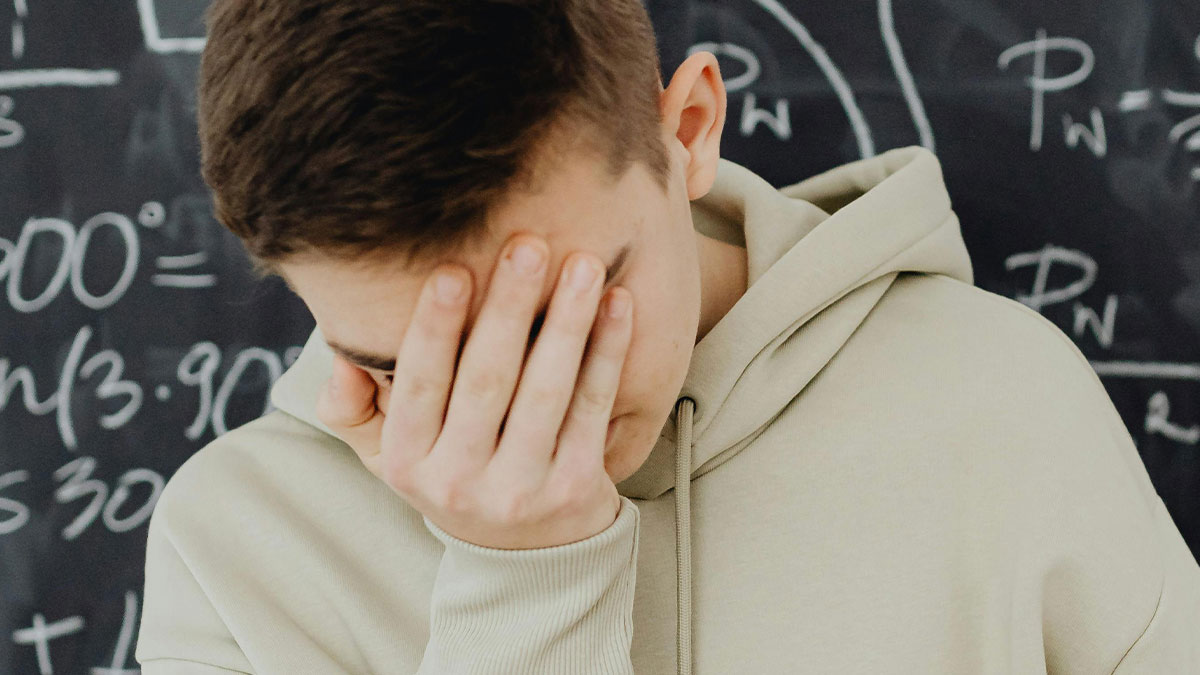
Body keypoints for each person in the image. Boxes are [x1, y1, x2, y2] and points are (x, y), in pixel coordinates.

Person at [135, 0, 1200, 672]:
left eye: (559, 318)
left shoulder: (998, 400)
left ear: (686, 131)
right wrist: (525, 584)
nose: (519, 415)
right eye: (399, 368)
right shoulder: (235, 555)